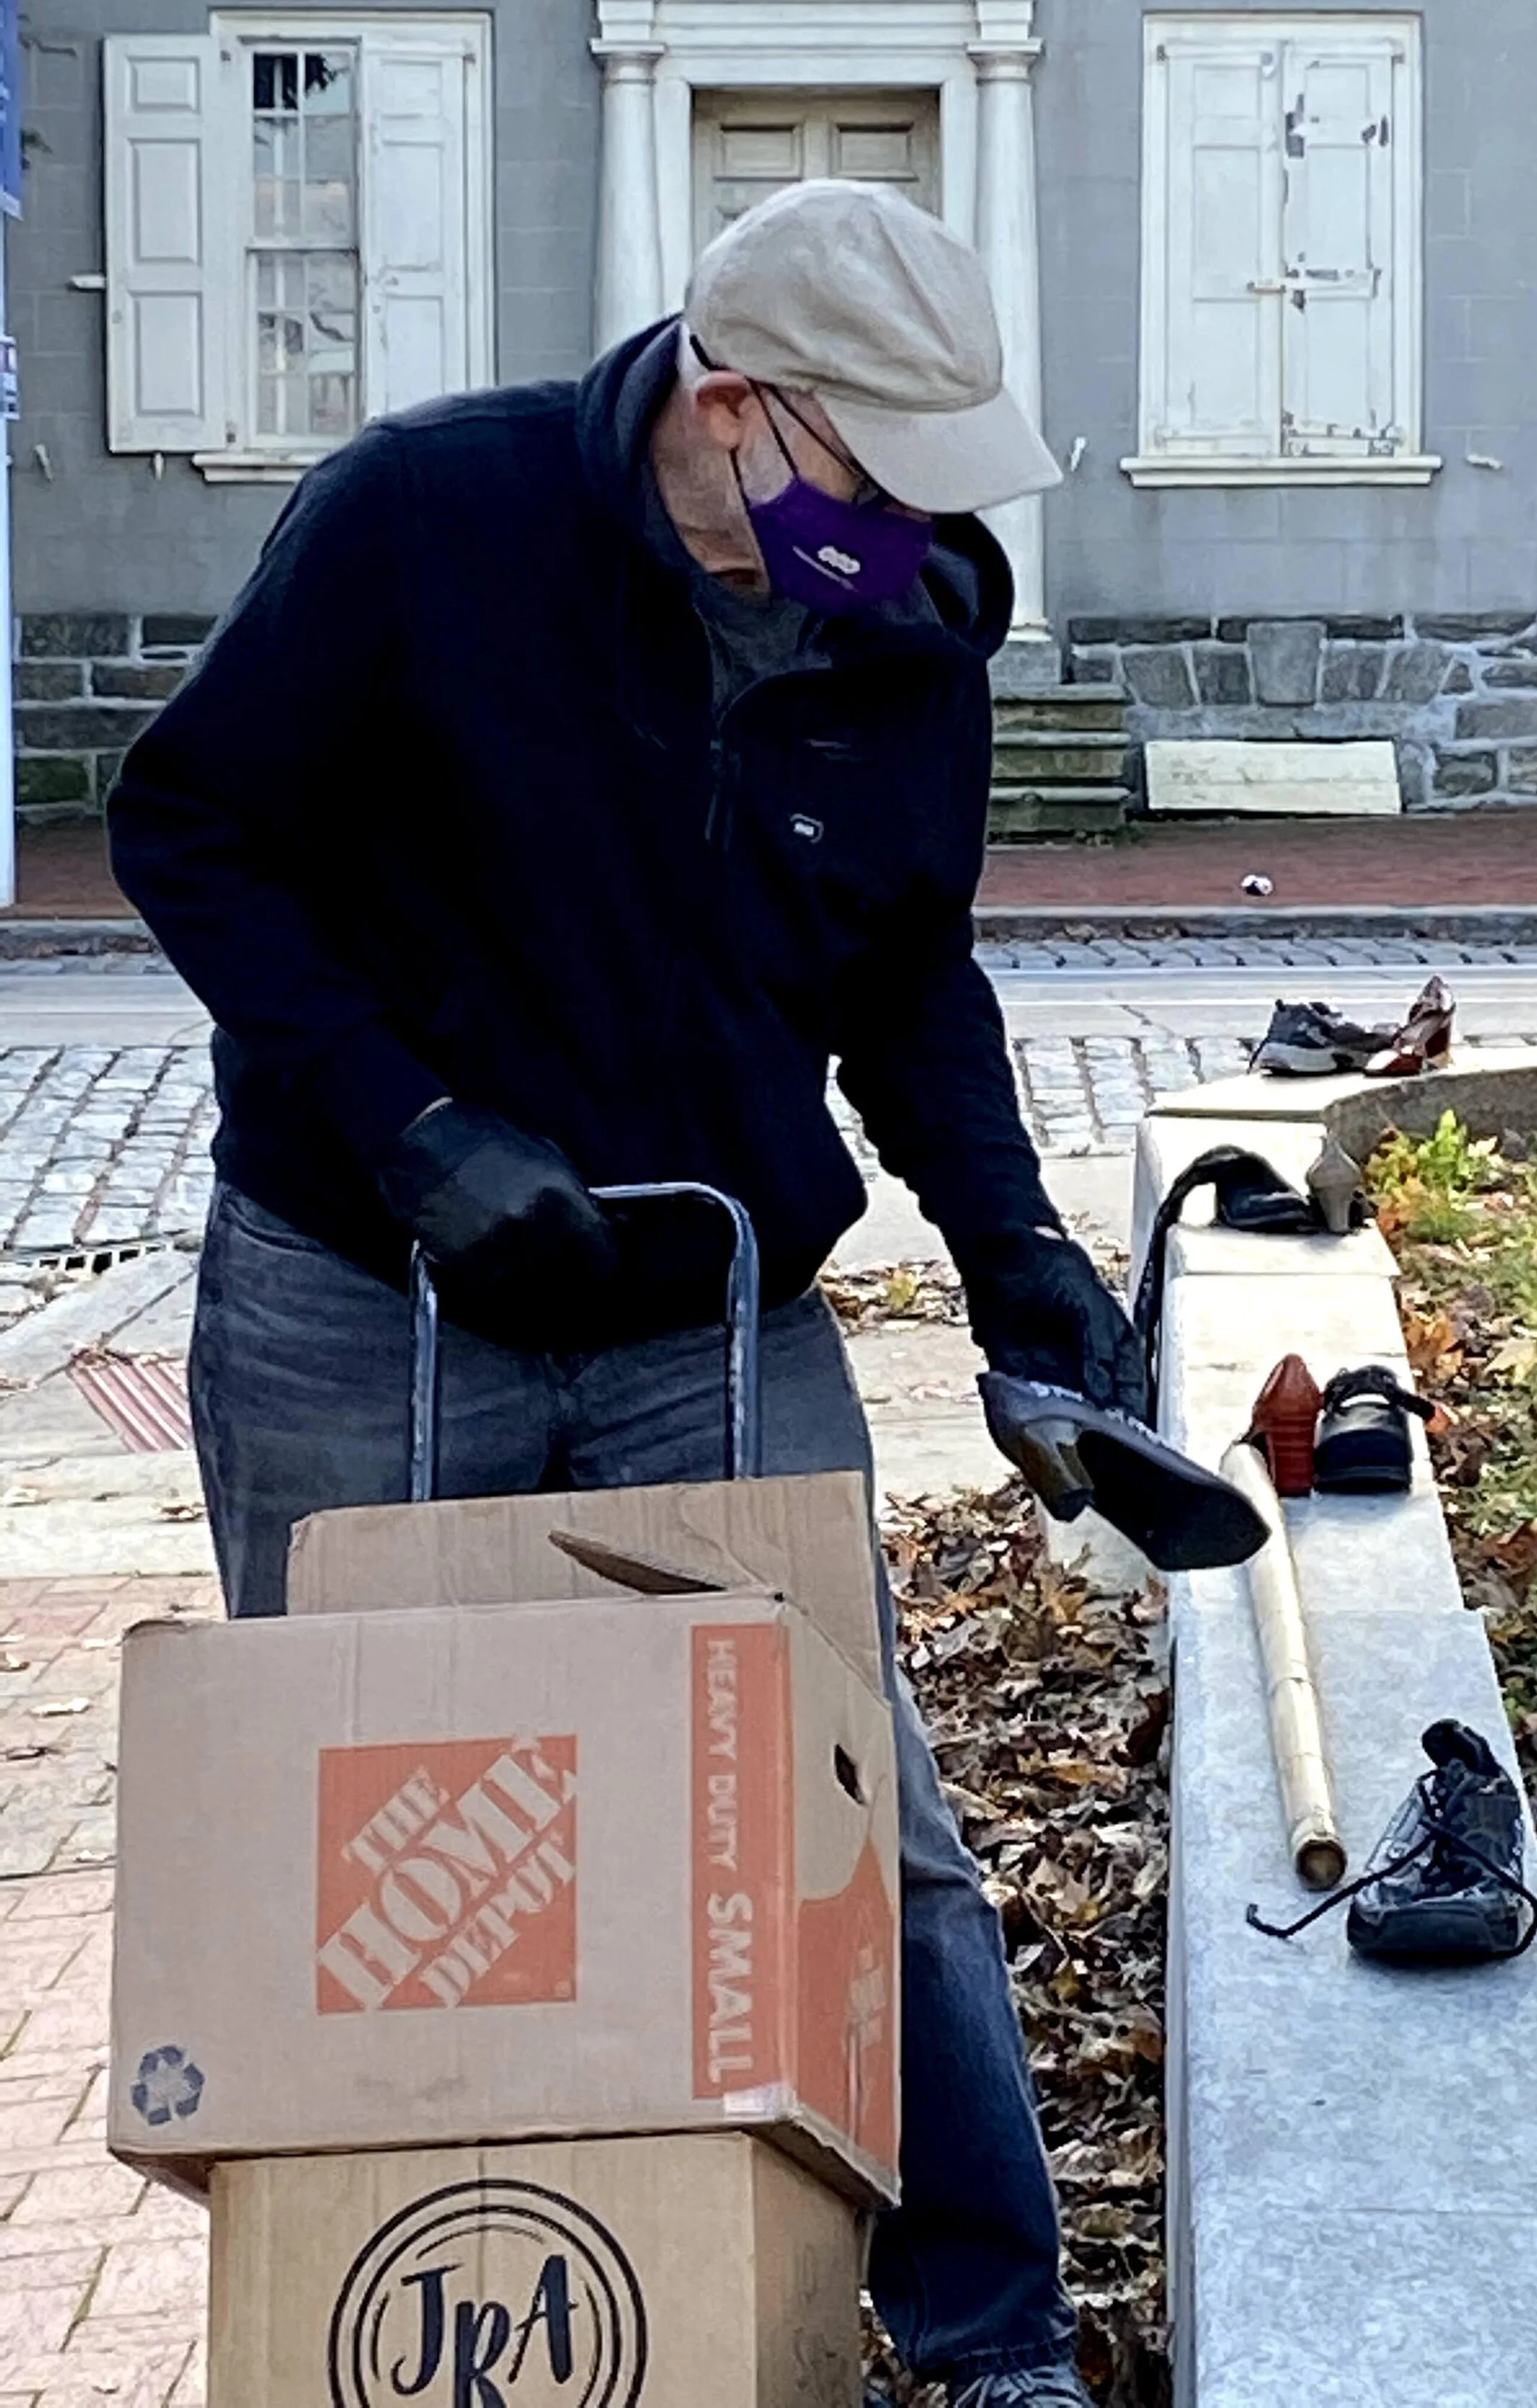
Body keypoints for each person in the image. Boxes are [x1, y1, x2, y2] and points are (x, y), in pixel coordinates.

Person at [108, 177, 1146, 2406]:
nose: (914, 530)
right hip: (361, 1291)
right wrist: (405, 1120)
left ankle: (991, 2332)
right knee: (373, 1824)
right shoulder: (423, 517)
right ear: (735, 398)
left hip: (707, 1307)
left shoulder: (899, 623)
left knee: (852, 1814)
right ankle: (389, 2301)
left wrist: (1022, 1256)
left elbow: (908, 980)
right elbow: (190, 822)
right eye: (880, 471)